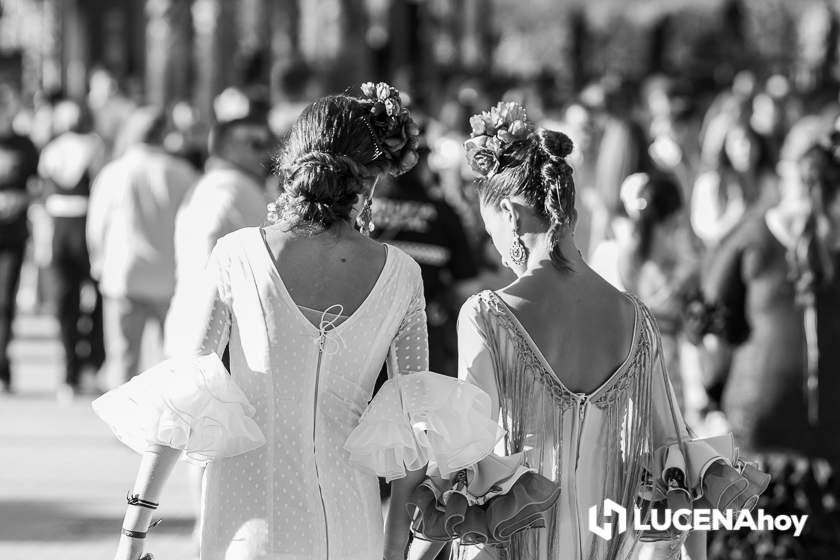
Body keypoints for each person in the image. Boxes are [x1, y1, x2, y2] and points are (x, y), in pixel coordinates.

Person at [94, 83, 494, 560]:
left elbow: (186, 397)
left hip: (246, 522)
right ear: (368, 182)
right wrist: (393, 554)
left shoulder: (239, 255)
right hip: (350, 524)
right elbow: (411, 440)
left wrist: (135, 530)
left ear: (294, 161)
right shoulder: (400, 274)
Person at [413, 102, 769, 560]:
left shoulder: (488, 314)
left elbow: (464, 454)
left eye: (492, 231)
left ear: (512, 213)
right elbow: (676, 460)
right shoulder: (634, 318)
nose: (499, 253)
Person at [696, 130, 840, 559]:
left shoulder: (752, 235)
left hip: (755, 422)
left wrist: (711, 396)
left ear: (790, 177)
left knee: (752, 545)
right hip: (826, 433)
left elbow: (711, 328)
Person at [86, 107, 198, 390]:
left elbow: (96, 226)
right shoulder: (182, 173)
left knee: (123, 356)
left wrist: (98, 262)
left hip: (124, 274)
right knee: (171, 358)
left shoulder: (115, 171)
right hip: (169, 277)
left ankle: (122, 425)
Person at [590, 172, 702, 417]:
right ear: (674, 219)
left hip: (615, 377)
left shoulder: (609, 256)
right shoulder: (684, 272)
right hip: (665, 377)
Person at [165, 115, 273, 355]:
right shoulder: (237, 189)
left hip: (190, 327)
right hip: (216, 339)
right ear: (228, 148)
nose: (266, 153)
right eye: (255, 144)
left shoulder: (207, 185)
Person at [37, 100, 106, 400]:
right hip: (85, 228)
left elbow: (44, 191)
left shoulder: (52, 150)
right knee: (94, 298)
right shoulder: (94, 146)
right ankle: (88, 362)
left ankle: (70, 371)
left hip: (60, 229)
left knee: (67, 302)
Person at [0, 86, 39, 394]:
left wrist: (21, 199)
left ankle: (3, 366)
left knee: (4, 302)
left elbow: (38, 185)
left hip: (12, 235)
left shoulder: (25, 145)